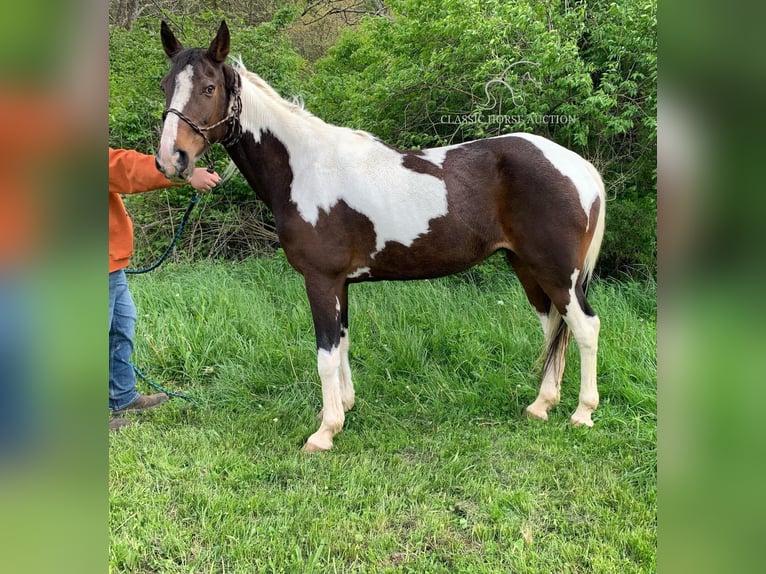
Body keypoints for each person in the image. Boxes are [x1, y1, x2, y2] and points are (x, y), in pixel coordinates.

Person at [109, 148, 220, 431]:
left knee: (121, 326)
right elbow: (123, 168)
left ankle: (121, 397)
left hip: (110, 260)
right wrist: (187, 173)